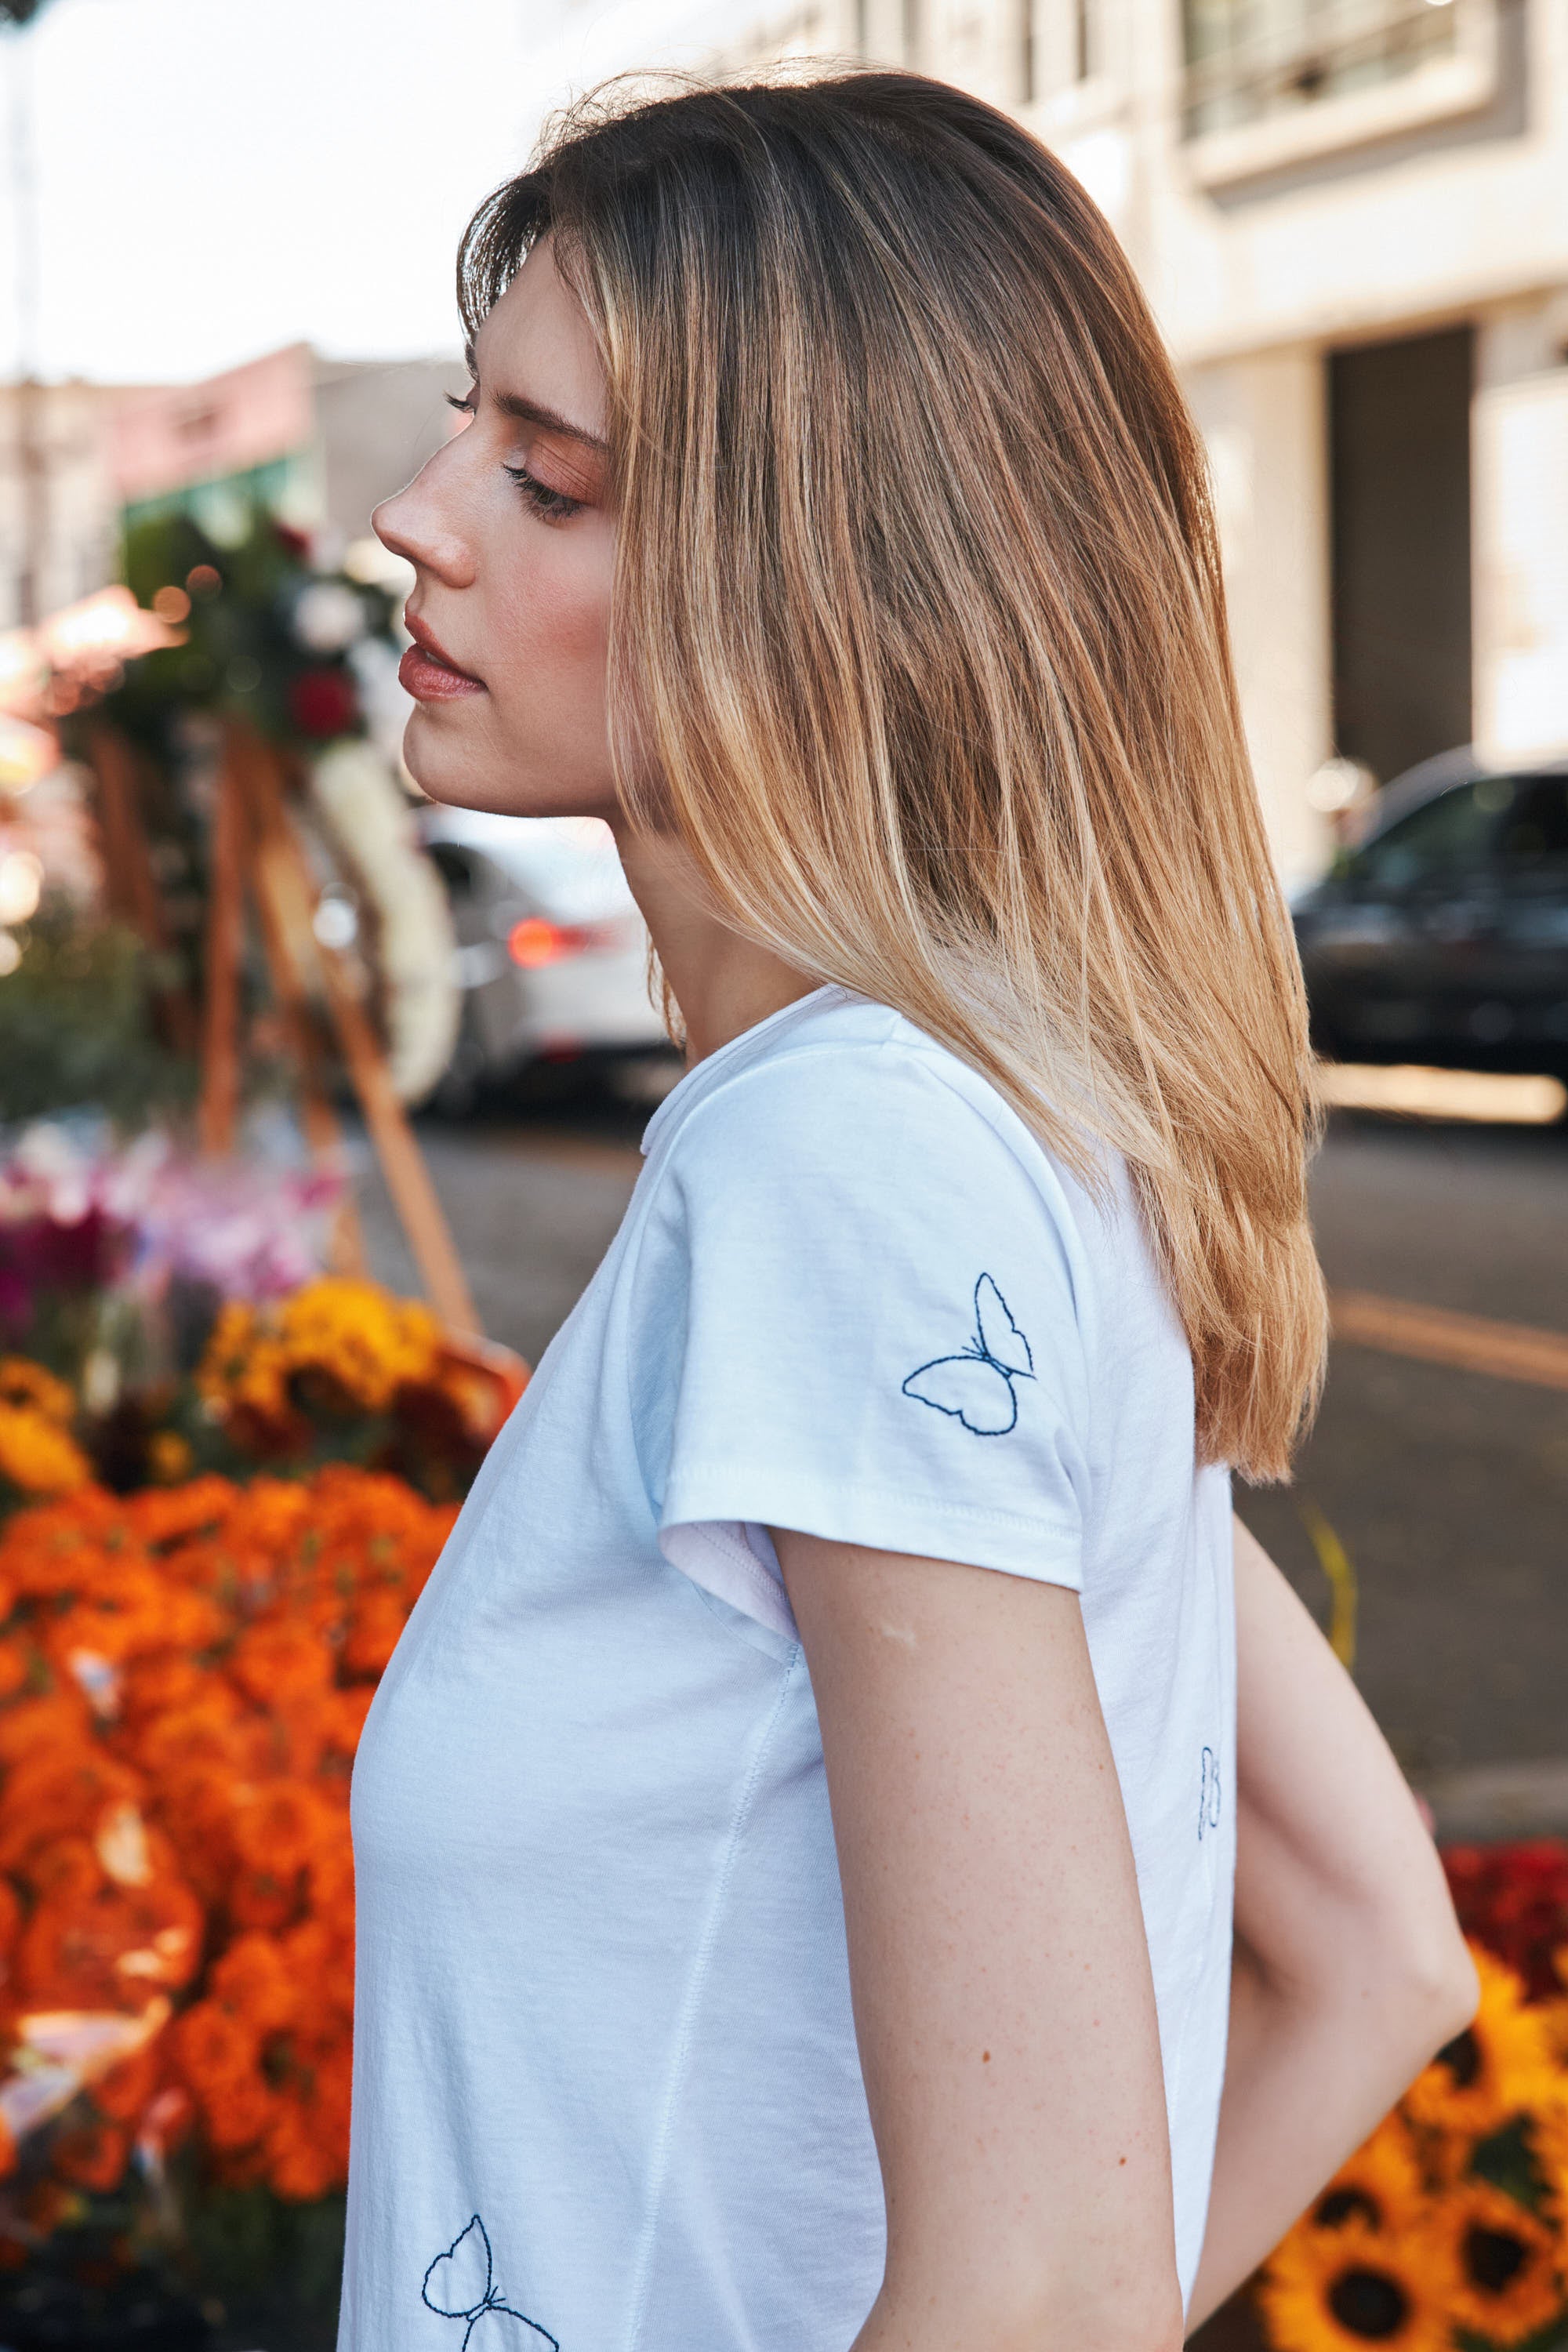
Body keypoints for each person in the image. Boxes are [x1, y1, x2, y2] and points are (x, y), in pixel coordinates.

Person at [348, 71, 1476, 2352]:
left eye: (545, 477)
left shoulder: (847, 1166)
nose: (413, 519)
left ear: (828, 572)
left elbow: (1048, 2287)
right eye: (473, 433)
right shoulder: (1009, 1129)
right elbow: (1378, 1951)